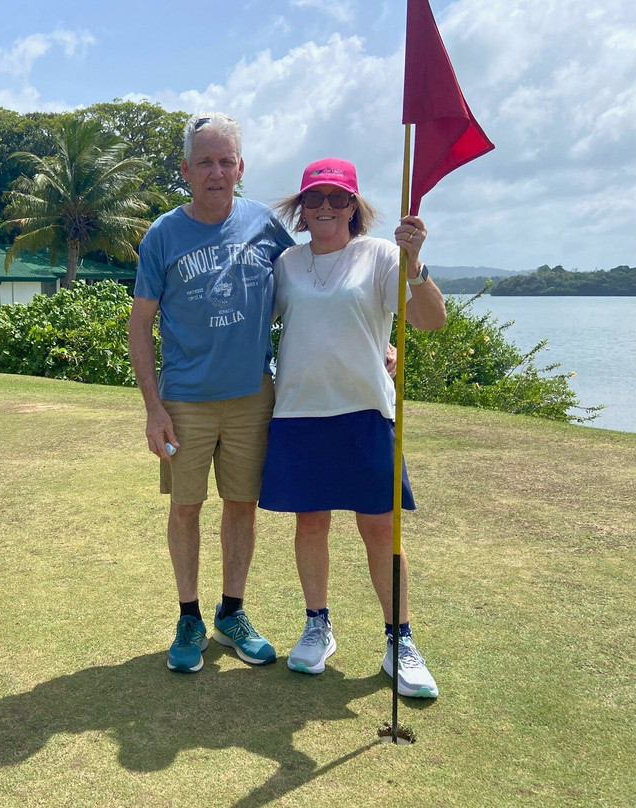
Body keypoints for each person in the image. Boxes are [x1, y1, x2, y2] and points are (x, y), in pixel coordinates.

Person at [258, 157, 447, 698]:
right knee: (311, 523)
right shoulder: (286, 264)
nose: (325, 207)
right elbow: (257, 323)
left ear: (353, 206)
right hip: (299, 412)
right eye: (314, 198)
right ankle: (317, 625)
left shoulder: (383, 255)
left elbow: (430, 320)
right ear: (301, 207)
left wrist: (415, 265)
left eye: (337, 198)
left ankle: (399, 641)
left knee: (381, 530)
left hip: (366, 412)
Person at [128, 112, 295, 673]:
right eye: (205, 162)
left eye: (226, 161)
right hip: (184, 401)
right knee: (185, 507)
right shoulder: (163, 234)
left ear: (241, 166)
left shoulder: (265, 224)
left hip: (253, 395)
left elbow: (313, 284)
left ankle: (232, 612)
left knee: (242, 505)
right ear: (186, 170)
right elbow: (140, 325)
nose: (216, 172)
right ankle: (188, 617)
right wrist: (153, 409)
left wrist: (374, 336)